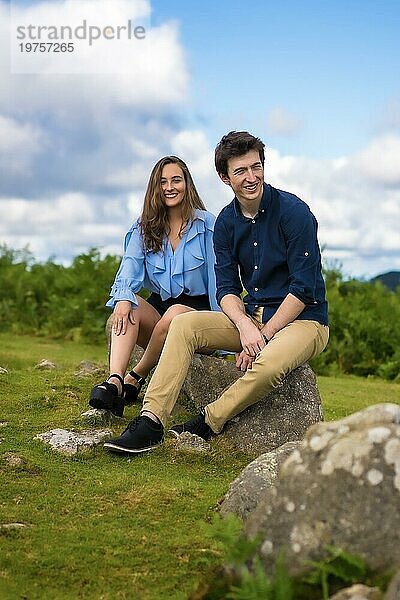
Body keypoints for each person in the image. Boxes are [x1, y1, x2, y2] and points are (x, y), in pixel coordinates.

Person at [103, 131, 329, 454]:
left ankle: (208, 420)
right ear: (225, 177)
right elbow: (225, 289)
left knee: (268, 364)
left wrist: (261, 336)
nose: (251, 177)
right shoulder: (225, 222)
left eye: (256, 167)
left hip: (305, 320)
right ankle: (151, 421)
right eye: (240, 171)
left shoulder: (295, 213)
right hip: (254, 318)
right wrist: (245, 326)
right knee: (183, 324)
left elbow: (303, 290)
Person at [89, 155, 219, 417]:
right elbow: (129, 265)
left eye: (176, 180)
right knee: (128, 306)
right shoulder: (143, 227)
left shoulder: (207, 225)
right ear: (155, 188)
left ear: (187, 184)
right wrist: (123, 299)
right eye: (163, 182)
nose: (170, 187)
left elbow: (219, 279)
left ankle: (136, 376)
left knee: (174, 316)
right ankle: (115, 381)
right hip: (161, 312)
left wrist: (228, 332)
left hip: (201, 315)